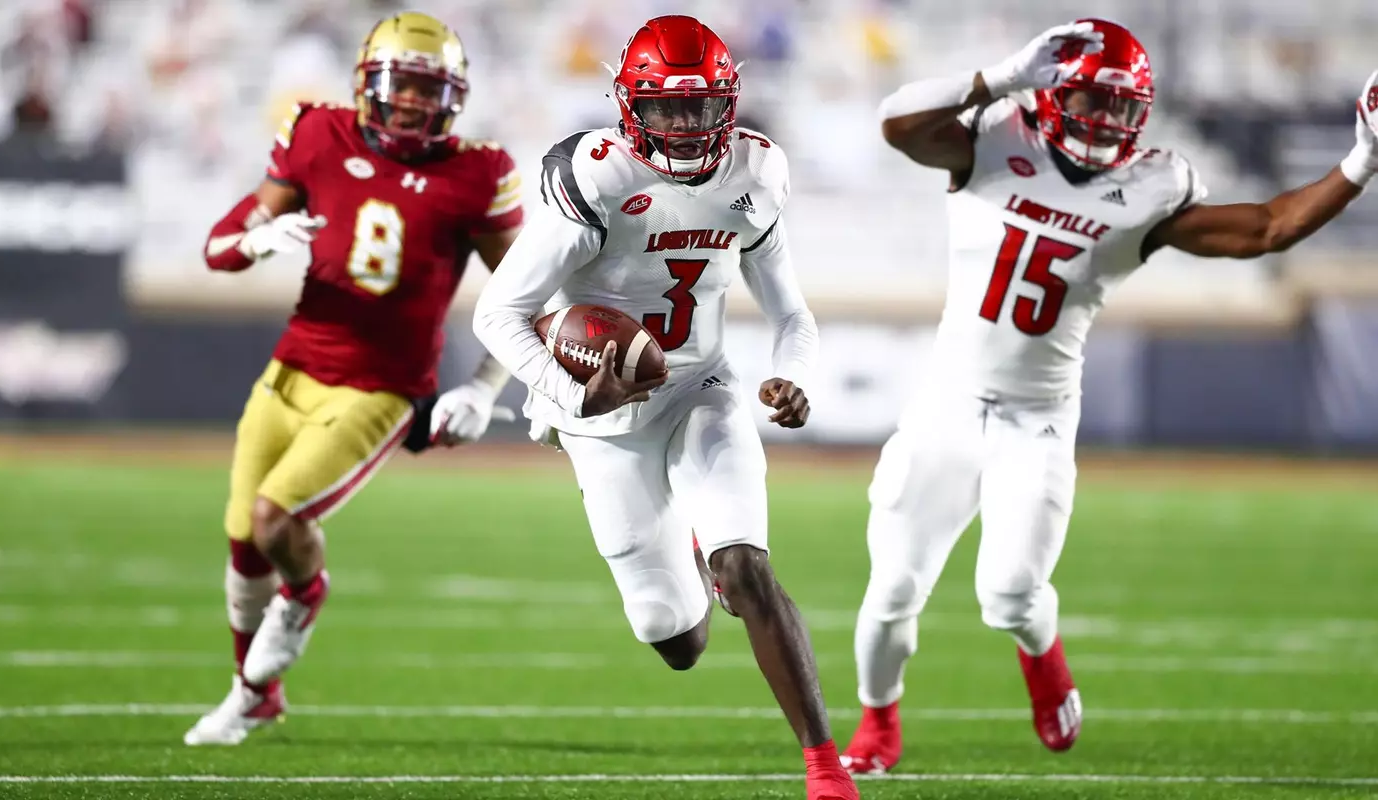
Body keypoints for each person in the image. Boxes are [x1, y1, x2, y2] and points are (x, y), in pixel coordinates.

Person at [840, 18, 1378, 774]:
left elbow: (1265, 228)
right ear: (1052, 91)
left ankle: (1042, 655)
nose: (1106, 121)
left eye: (1123, 108)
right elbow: (895, 124)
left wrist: (1360, 160)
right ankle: (878, 722)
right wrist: (997, 78)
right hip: (949, 402)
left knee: (1010, 595)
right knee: (893, 585)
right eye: (1091, 99)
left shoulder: (1149, 188)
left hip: (1039, 416)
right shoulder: (995, 140)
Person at [472, 15, 859, 800]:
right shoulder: (597, 178)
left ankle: (826, 767)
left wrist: (795, 377)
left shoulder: (755, 172)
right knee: (672, 636)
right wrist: (575, 389)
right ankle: (687, 544)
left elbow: (792, 315)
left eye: (701, 106)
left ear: (731, 102)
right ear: (628, 106)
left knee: (747, 568)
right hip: (600, 415)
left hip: (699, 386)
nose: (685, 126)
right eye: (666, 108)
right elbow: (496, 313)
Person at [184, 11, 524, 746]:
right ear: (369, 83)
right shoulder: (316, 134)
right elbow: (217, 248)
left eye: (426, 91)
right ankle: (257, 694)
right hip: (292, 368)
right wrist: (258, 239)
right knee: (243, 539)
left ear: (453, 98)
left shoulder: (478, 172)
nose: (410, 104)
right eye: (400, 86)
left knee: (277, 519)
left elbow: (530, 293)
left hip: (382, 388)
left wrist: (484, 387)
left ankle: (305, 594)